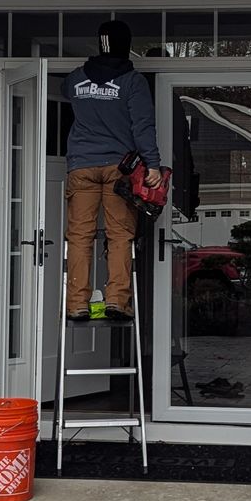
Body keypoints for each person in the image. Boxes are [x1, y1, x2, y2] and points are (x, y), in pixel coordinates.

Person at [63, 20, 163, 320]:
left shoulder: (76, 78)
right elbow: (143, 126)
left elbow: (64, 89)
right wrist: (153, 164)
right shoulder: (132, 82)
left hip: (81, 166)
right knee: (120, 235)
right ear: (126, 44)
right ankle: (116, 301)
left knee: (80, 235)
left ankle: (77, 303)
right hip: (119, 169)